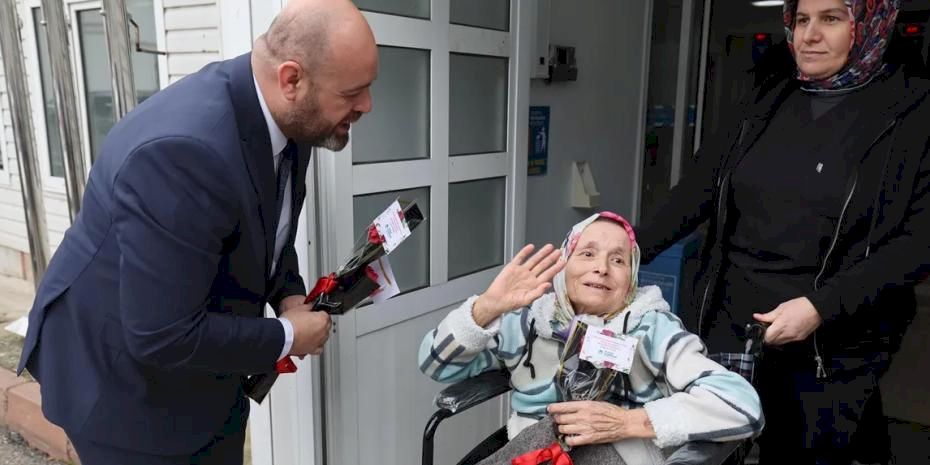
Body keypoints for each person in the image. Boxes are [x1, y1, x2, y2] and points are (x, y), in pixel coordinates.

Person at [15, 0, 377, 463]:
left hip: (203, 370)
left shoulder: (293, 117)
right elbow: (161, 335)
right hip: (123, 393)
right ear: (292, 79)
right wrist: (287, 336)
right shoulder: (184, 154)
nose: (366, 105)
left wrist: (288, 292)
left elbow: (270, 223)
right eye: (353, 93)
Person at [637, 0, 930, 463]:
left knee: (802, 450)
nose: (809, 35)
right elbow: (698, 188)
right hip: (731, 319)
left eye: (831, 19)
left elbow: (916, 244)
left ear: (869, 23)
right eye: (801, 20)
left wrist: (820, 306)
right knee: (714, 446)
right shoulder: (767, 94)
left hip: (831, 339)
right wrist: (621, 247)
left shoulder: (913, 112)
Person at [419, 212, 763, 465]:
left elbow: (744, 407)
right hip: (530, 452)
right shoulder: (527, 319)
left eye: (618, 260)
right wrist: (485, 309)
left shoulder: (652, 328)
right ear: (564, 265)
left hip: (618, 455)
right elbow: (435, 365)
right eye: (587, 254)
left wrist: (626, 422)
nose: (601, 268)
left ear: (631, 280)